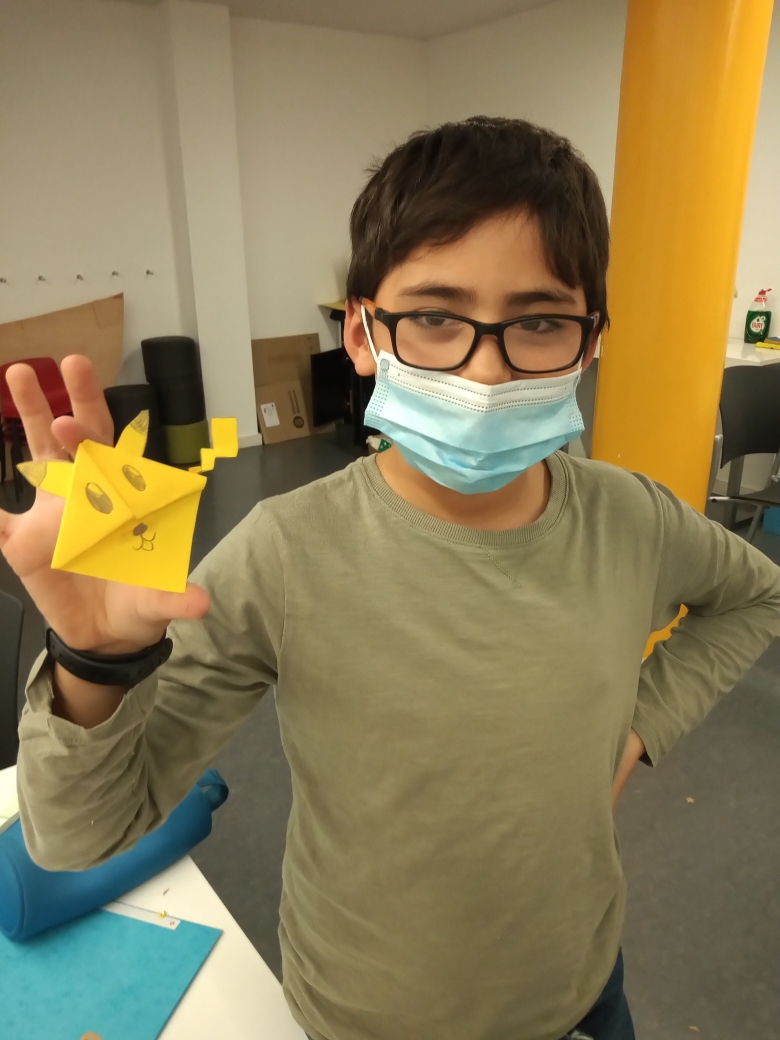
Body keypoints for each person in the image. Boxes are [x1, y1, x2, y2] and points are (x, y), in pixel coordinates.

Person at [4, 117, 780, 1040]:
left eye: (539, 322)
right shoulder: (285, 553)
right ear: (364, 333)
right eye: (436, 318)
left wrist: (640, 726)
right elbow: (78, 838)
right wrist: (93, 663)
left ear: (589, 340)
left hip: (579, 990)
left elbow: (754, 596)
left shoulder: (631, 519)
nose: (485, 371)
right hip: (367, 1014)